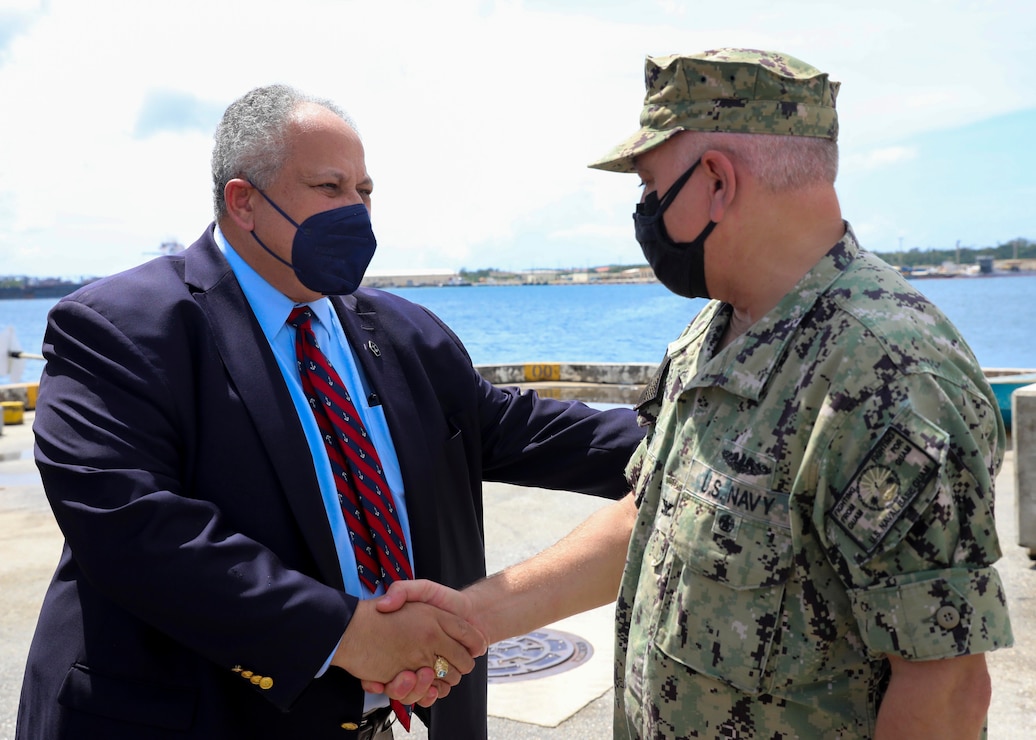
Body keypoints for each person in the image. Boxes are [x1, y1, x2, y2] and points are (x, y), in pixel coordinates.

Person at [375, 49, 1015, 738]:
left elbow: (944, 688)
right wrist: (471, 620)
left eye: (651, 185)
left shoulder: (889, 379)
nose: (644, 210)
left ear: (715, 180)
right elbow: (652, 522)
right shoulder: (719, 327)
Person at [15, 84, 643, 740]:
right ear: (244, 201)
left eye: (365, 191)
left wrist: (695, 437)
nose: (357, 210)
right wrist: (345, 636)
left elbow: (523, 430)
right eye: (329, 187)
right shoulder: (121, 328)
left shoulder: (404, 331)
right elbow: (134, 527)